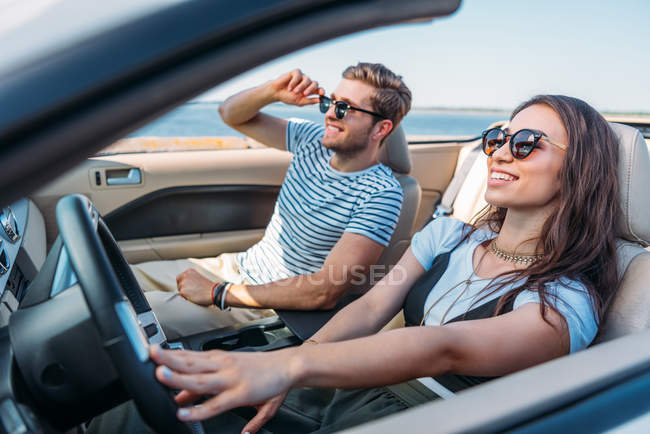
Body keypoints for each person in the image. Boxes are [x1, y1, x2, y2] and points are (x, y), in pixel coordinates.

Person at [145, 94, 622, 433]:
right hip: (357, 382)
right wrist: (289, 366)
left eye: (526, 143)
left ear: (579, 168)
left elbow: (444, 348)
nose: (498, 151)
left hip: (423, 418)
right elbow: (372, 308)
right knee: (168, 402)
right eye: (498, 137)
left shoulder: (563, 302)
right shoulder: (450, 234)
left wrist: (293, 367)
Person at [133, 63, 412, 338]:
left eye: (343, 108)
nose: (329, 114)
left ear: (380, 129)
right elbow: (230, 114)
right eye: (329, 102)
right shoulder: (310, 139)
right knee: (118, 279)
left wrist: (218, 292)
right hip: (235, 268)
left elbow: (325, 291)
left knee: (133, 322)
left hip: (269, 304)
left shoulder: (380, 194)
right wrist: (272, 91)